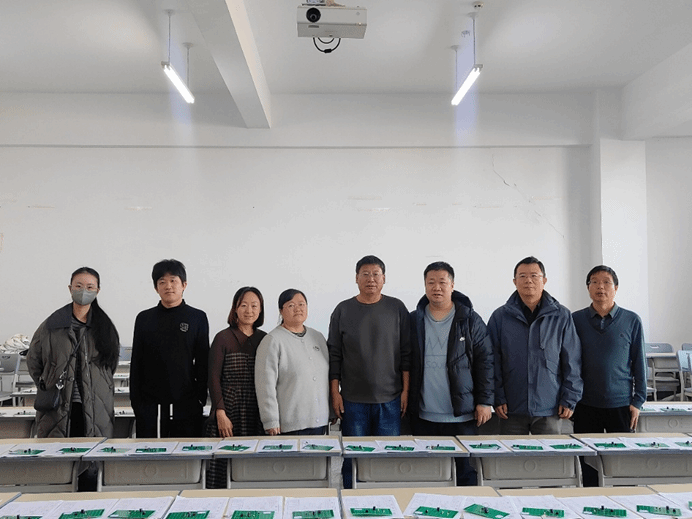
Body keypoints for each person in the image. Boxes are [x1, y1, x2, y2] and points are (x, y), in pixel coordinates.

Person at [328, 254, 411, 488]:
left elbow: (406, 353)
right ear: (356, 278)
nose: (371, 279)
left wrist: (405, 391)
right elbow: (334, 355)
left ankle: (386, 501)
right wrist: (335, 393)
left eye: (376, 274)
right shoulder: (343, 310)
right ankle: (351, 499)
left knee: (387, 459)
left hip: (390, 400)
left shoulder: (396, 308)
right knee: (352, 460)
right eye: (365, 274)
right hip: (353, 401)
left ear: (384, 278)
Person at [409, 261, 493, 485]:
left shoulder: (470, 319)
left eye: (442, 282)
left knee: (465, 473)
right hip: (424, 414)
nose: (436, 287)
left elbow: (486, 361)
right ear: (425, 286)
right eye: (431, 282)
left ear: (452, 285)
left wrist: (485, 401)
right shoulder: (414, 320)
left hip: (461, 415)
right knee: (429, 475)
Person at [488, 256, 582, 434]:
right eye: (522, 276)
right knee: (511, 452)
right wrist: (497, 397)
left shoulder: (561, 316)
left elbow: (572, 361)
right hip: (511, 408)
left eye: (534, 276)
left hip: (550, 406)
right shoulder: (500, 317)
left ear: (544, 280)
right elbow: (492, 361)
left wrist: (570, 398)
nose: (528, 280)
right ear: (515, 282)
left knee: (551, 452)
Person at [572, 265, 646, 486]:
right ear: (588, 288)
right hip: (585, 404)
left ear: (616, 288)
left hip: (621, 404)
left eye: (606, 282)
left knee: (623, 466)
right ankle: (591, 501)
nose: (600, 287)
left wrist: (638, 400)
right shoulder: (575, 320)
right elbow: (568, 362)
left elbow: (639, 362)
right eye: (594, 282)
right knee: (588, 466)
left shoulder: (632, 320)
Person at [28, 266, 120, 438]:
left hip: (96, 403)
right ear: (70, 288)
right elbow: (34, 360)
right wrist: (46, 382)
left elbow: (110, 365)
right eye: (78, 286)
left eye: (90, 287)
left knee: (92, 451)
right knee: (58, 452)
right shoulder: (51, 325)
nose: (84, 291)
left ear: (97, 291)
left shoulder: (105, 327)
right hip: (58, 404)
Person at [130, 259, 209, 438]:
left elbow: (203, 362)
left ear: (184, 285)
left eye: (173, 280)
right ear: (156, 287)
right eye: (162, 282)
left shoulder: (197, 318)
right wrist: (137, 403)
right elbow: (137, 363)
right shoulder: (144, 319)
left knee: (185, 452)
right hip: (150, 406)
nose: (168, 286)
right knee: (151, 452)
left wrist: (200, 399)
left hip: (186, 404)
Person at [205, 286, 266, 488]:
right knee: (223, 463)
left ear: (260, 310)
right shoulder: (223, 338)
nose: (249, 310)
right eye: (244, 305)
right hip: (228, 408)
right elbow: (213, 378)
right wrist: (220, 412)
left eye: (254, 306)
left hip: (256, 409)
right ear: (235, 309)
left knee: (253, 465)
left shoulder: (265, 339)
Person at [255, 289, 330, 435]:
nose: (298, 309)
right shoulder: (272, 341)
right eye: (291, 305)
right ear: (281, 311)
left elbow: (325, 379)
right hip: (290, 425)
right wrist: (270, 420)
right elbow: (265, 386)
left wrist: (331, 411)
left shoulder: (317, 337)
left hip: (320, 422)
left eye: (302, 304)